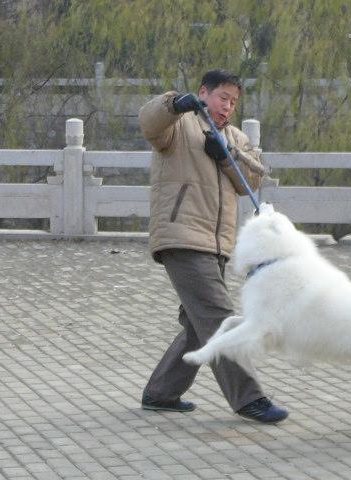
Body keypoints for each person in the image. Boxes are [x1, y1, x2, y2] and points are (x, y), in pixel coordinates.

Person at [138, 69, 288, 424]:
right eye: (223, 98)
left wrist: (224, 156)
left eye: (234, 102)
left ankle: (160, 393)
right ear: (203, 93)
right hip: (182, 236)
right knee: (219, 319)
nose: (228, 107)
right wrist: (174, 103)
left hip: (216, 243)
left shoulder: (232, 137)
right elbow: (148, 122)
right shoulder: (179, 125)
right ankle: (249, 398)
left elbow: (249, 181)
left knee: (197, 324)